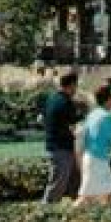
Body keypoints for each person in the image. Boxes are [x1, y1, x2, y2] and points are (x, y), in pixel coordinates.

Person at [76, 85, 111, 206]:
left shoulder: (92, 114)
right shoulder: (107, 117)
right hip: (97, 159)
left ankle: (105, 218)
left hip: (91, 157)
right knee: (86, 198)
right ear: (109, 100)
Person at [41, 71, 81, 204]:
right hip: (61, 149)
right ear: (71, 85)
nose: (76, 89)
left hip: (56, 146)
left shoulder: (52, 98)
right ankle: (44, 212)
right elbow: (73, 125)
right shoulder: (65, 102)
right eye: (76, 86)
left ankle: (81, 206)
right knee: (58, 184)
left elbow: (43, 118)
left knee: (76, 181)